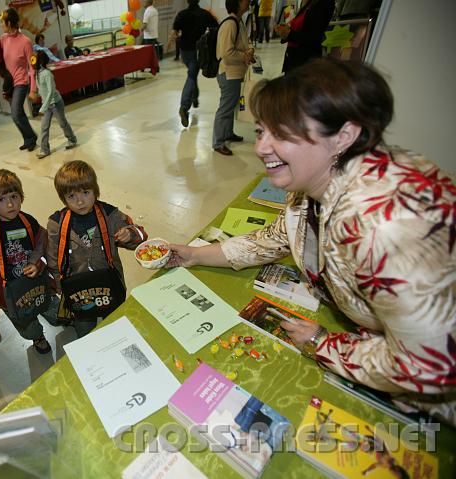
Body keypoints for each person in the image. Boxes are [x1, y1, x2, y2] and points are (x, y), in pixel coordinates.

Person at [167, 58, 456, 425]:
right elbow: (273, 239)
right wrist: (194, 254)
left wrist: (322, 343)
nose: (261, 147)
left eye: (281, 133)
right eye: (260, 131)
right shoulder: (316, 186)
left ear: (344, 136)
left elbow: (426, 365)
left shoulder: (387, 226)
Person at [47, 161, 147, 337]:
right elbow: (52, 258)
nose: (80, 201)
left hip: (110, 283)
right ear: (63, 199)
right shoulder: (57, 223)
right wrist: (58, 283)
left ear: (95, 190)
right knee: (85, 330)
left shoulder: (110, 214)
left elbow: (141, 236)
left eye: (86, 193)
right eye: (71, 196)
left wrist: (130, 234)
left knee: (115, 322)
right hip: (79, 289)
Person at [0, 170, 61, 355]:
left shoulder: (28, 221)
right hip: (12, 293)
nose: (10, 204)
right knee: (27, 323)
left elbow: (42, 242)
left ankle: (57, 318)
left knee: (53, 308)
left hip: (37, 283)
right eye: (1, 199)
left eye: (14, 197)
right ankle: (37, 337)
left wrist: (35, 262)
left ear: (21, 196)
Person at [213, 0, 255, 156]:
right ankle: (218, 142)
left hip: (236, 73)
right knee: (225, 108)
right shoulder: (230, 24)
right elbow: (226, 53)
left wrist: (250, 50)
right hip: (229, 73)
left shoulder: (239, 21)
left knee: (231, 105)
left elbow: (246, 41)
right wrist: (244, 56)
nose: (248, 2)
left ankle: (228, 133)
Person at [170, 0, 219, 128]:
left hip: (184, 51)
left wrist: (170, 42)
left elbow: (175, 32)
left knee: (192, 73)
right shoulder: (204, 14)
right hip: (197, 51)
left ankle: (195, 97)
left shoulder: (181, 14)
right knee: (192, 76)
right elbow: (216, 27)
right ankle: (184, 106)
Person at [0, 8, 38, 151]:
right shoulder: (4, 39)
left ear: (9, 23)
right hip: (10, 83)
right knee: (18, 114)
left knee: (16, 114)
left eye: (2, 22)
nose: (1, 25)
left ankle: (31, 137)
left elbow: (32, 67)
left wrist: (33, 90)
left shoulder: (26, 41)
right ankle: (28, 139)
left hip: (21, 82)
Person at [33, 51, 77, 159]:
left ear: (40, 62)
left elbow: (51, 92)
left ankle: (72, 139)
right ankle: (45, 150)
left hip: (55, 103)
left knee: (62, 123)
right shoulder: (37, 73)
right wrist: (36, 94)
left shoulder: (47, 74)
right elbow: (42, 90)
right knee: (44, 127)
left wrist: (43, 107)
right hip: (47, 104)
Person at [273, 0, 335, 72]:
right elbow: (299, 27)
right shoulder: (309, 3)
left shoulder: (325, 3)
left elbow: (312, 37)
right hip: (293, 58)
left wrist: (289, 34)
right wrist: (284, 31)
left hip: (306, 62)